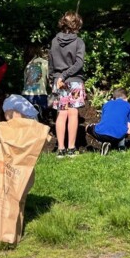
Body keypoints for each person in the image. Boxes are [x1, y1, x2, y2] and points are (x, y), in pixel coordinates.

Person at [49, 11, 86, 157]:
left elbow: (51, 63)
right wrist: (65, 76)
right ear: (77, 25)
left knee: (61, 113)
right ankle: (71, 148)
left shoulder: (54, 41)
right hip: (74, 81)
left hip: (58, 81)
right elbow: (79, 63)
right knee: (73, 112)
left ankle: (61, 149)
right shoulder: (79, 42)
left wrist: (55, 78)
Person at [87, 88, 130, 154]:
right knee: (123, 127)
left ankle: (103, 142)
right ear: (126, 98)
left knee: (87, 127)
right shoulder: (129, 106)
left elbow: (103, 121)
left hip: (101, 134)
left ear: (114, 97)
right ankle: (121, 147)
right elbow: (129, 131)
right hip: (118, 136)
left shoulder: (106, 104)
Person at [21, 46, 50, 119]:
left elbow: (25, 81)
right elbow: (50, 78)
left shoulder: (28, 65)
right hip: (40, 94)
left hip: (26, 95)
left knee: (28, 119)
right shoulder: (45, 63)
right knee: (40, 119)